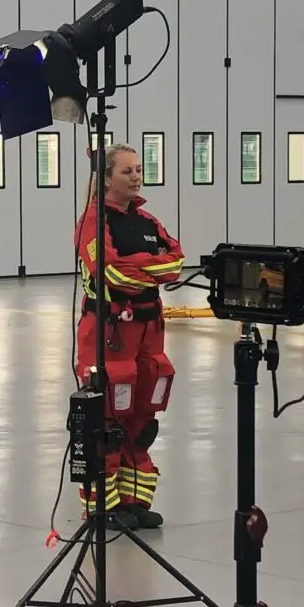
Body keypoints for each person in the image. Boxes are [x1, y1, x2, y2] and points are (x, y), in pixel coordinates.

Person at [76, 143, 182, 528]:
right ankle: (103, 507)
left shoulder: (149, 222)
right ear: (106, 178)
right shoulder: (94, 221)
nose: (137, 176)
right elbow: (112, 272)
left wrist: (140, 267)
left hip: (149, 332)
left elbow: (176, 263)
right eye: (127, 171)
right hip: (108, 332)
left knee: (143, 420)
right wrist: (148, 269)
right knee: (107, 419)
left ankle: (134, 502)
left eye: (139, 169)